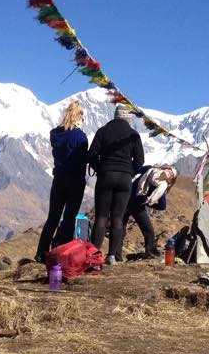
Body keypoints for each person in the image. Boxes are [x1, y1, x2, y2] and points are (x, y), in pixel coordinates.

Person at [87, 104, 144, 264]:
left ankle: (94, 256)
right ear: (129, 118)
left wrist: (101, 169)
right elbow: (140, 160)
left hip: (106, 175)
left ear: (115, 115)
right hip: (125, 179)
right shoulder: (134, 135)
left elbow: (91, 155)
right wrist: (129, 171)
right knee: (118, 217)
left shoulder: (103, 131)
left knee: (101, 216)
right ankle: (111, 256)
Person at [35, 100, 88, 263]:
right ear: (79, 116)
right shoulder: (80, 136)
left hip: (58, 179)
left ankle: (41, 252)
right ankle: (62, 254)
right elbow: (83, 160)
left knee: (53, 217)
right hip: (75, 181)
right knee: (69, 218)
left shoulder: (55, 134)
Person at [115, 165, 178, 261]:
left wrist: (148, 203)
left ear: (170, 179)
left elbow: (162, 206)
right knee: (120, 230)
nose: (169, 173)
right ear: (165, 168)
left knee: (149, 230)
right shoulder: (149, 170)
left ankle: (150, 253)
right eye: (170, 170)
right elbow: (134, 171)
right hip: (125, 201)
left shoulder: (161, 186)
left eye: (172, 175)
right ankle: (117, 257)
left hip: (138, 207)